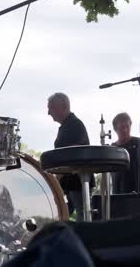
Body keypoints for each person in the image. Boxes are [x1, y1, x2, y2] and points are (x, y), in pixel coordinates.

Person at [47, 92, 94, 221]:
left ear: (64, 106)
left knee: (82, 216)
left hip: (78, 181)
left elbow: (74, 153)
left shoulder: (75, 125)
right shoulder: (67, 126)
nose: (48, 112)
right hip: (69, 182)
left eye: (51, 108)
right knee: (64, 215)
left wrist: (57, 176)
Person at [111, 113, 140, 195]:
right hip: (118, 196)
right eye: (121, 127)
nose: (125, 130)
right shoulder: (112, 149)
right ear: (115, 129)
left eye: (127, 126)